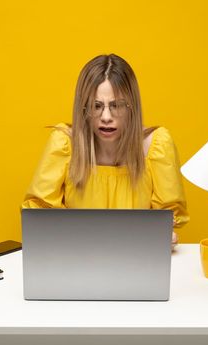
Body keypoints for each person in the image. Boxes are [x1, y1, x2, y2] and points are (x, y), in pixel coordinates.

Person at [22, 54, 189, 248]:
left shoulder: (157, 145)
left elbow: (168, 218)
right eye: (96, 106)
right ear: (83, 108)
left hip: (135, 259)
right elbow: (39, 217)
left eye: (117, 105)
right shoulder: (64, 143)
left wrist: (165, 235)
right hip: (76, 258)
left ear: (132, 107)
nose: (106, 117)